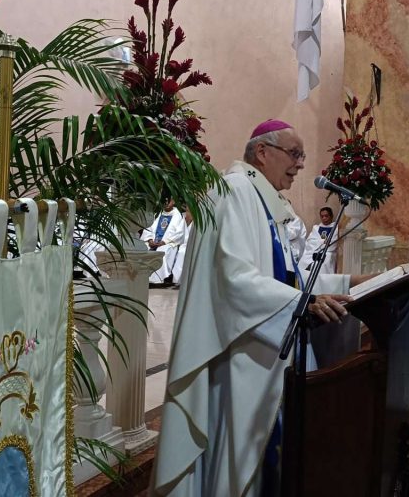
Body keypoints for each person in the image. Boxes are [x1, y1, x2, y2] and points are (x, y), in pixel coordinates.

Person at [151, 119, 373, 496]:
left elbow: (283, 278)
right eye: (295, 154)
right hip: (241, 355)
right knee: (244, 460)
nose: (301, 164)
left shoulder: (262, 199)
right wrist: (302, 303)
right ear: (262, 152)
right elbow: (233, 279)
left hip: (266, 355)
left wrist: (348, 283)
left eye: (302, 155)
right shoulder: (235, 192)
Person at [143, 201, 185, 285]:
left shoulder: (177, 215)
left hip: (168, 243)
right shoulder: (157, 213)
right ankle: (143, 277)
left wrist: (164, 242)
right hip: (153, 242)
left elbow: (180, 233)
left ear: (173, 202)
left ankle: (158, 279)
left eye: (168, 201)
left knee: (163, 251)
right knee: (143, 249)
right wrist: (150, 239)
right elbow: (148, 227)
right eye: (164, 201)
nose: (166, 203)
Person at [298, 206, 338, 275]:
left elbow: (333, 244)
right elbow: (310, 241)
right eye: (322, 216)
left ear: (331, 216)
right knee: (304, 260)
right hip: (314, 250)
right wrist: (322, 242)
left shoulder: (336, 228)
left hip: (328, 252)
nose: (324, 218)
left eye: (326, 216)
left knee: (324, 261)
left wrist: (320, 242)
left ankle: (321, 281)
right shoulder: (316, 228)